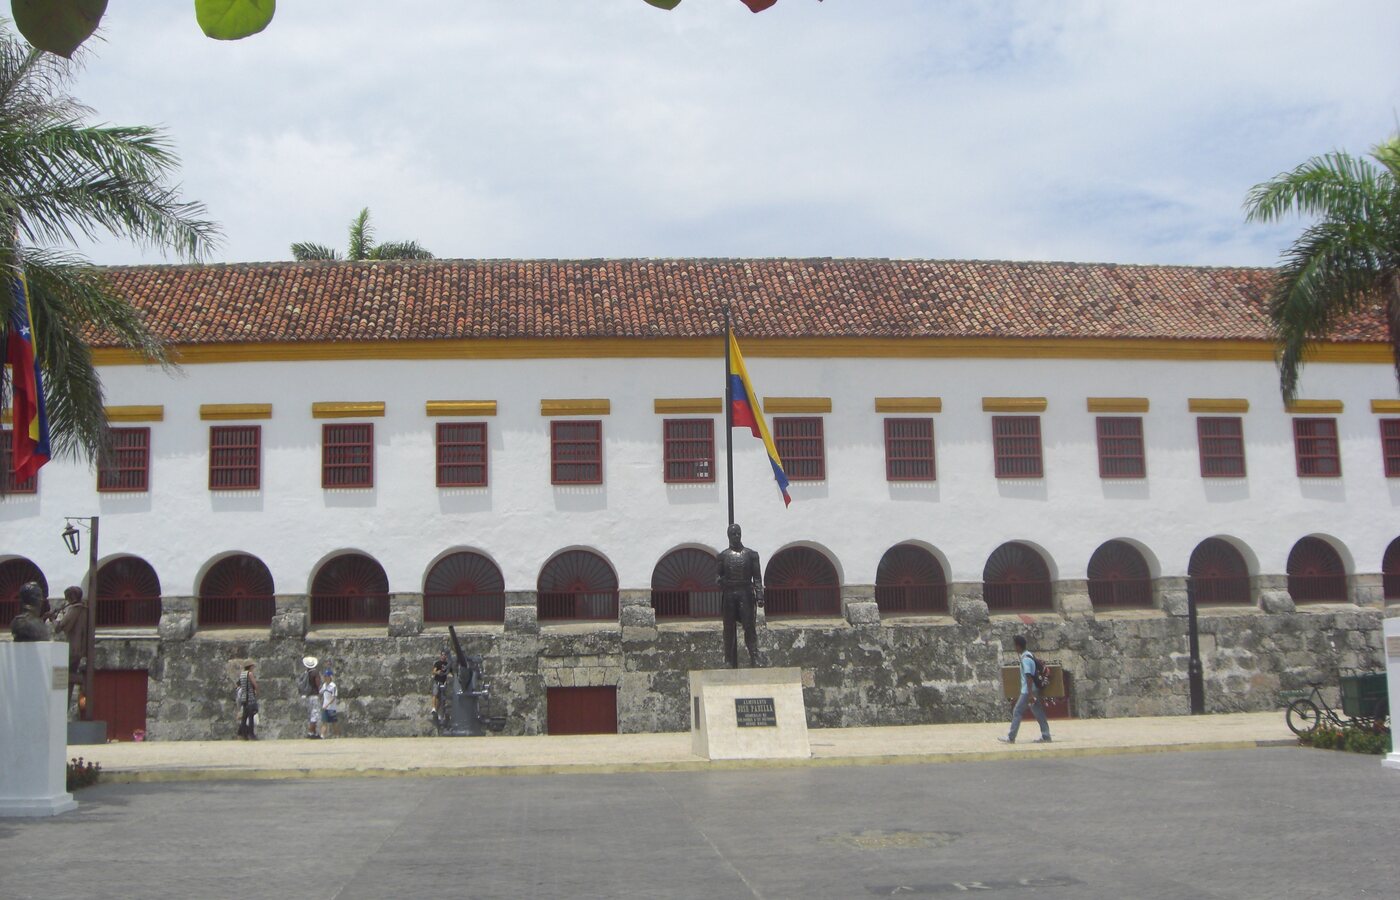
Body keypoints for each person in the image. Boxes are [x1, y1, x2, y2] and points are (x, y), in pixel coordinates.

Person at [715, 523, 766, 669]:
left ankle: (755, 656)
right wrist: (721, 581)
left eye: (738, 533)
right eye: (733, 534)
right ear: (729, 536)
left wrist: (760, 595)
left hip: (745, 593)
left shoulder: (751, 555)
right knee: (728, 628)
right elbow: (717, 577)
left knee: (749, 627)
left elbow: (757, 577)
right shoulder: (723, 556)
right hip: (730, 594)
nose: (736, 536)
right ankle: (728, 660)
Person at [999, 635, 1051, 744]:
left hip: (1028, 691)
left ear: (1018, 646)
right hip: (1032, 690)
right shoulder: (1029, 654)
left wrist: (1030, 695)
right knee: (1038, 712)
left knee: (1017, 711)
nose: (1014, 648)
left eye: (1015, 645)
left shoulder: (1025, 659)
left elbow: (1028, 676)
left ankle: (1011, 737)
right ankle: (1046, 735)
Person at [51, 586, 90, 708]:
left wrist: (52, 618)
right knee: (67, 677)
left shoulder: (75, 609)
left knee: (65, 677)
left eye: (67, 598)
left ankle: (82, 683)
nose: (66, 601)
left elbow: (59, 627)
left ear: (72, 597)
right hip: (78, 649)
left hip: (73, 649)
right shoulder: (84, 609)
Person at [300, 656, 322, 739]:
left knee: (311, 713)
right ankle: (311, 732)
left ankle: (313, 731)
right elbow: (317, 683)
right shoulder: (315, 673)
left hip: (308, 696)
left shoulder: (307, 673)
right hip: (314, 695)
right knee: (315, 714)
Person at [236, 663, 259, 740]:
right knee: (251, 716)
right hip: (250, 698)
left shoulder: (242, 674)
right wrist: (256, 689)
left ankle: (243, 734)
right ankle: (251, 734)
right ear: (250, 666)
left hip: (244, 698)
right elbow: (255, 684)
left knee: (244, 717)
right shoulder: (250, 674)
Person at [431, 650, 451, 724]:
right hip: (437, 682)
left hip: (443, 683)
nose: (443, 656)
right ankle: (433, 708)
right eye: (442, 655)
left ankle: (437, 711)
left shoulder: (448, 664)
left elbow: (450, 672)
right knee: (435, 694)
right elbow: (433, 671)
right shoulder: (438, 663)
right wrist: (437, 672)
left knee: (441, 699)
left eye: (444, 655)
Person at [319, 668, 339, 738]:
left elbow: (333, 698)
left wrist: (327, 704)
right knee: (324, 722)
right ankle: (322, 735)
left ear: (329, 677)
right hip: (325, 707)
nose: (324, 677)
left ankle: (336, 735)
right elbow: (320, 692)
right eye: (324, 676)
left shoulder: (333, 686)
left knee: (334, 723)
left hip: (331, 708)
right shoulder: (324, 685)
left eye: (326, 676)